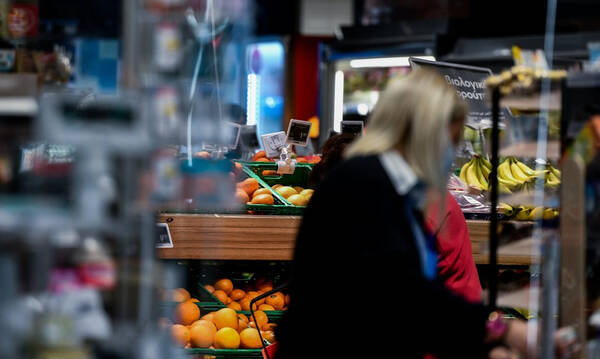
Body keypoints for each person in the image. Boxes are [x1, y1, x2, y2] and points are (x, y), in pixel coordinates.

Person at [275, 69, 573, 359]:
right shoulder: (361, 187)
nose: (451, 153)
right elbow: (407, 296)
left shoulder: (394, 191)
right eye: (450, 140)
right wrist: (502, 331)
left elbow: (410, 306)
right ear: (422, 133)